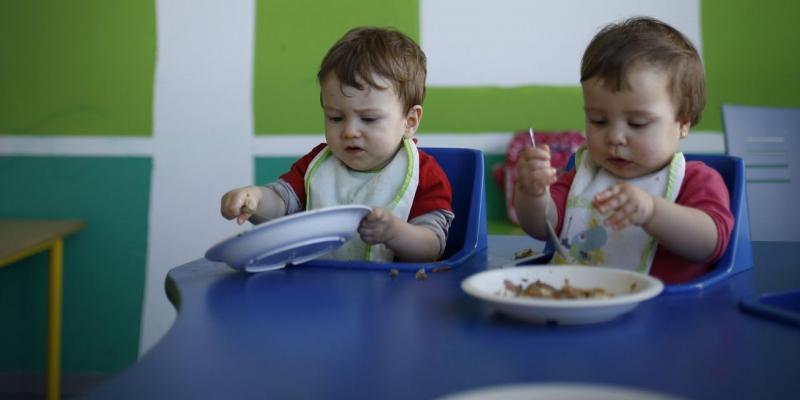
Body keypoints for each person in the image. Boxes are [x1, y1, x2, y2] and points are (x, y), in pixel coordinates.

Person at [514, 17, 734, 284]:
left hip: (667, 313)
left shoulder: (696, 180)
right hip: (580, 298)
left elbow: (710, 244)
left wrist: (653, 211)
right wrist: (533, 193)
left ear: (683, 123)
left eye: (637, 123)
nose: (615, 137)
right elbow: (541, 228)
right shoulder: (584, 175)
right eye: (598, 120)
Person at [220, 27, 453, 263]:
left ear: (409, 121)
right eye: (335, 118)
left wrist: (394, 232)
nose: (350, 131)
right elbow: (281, 205)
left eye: (369, 119)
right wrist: (255, 199)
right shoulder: (318, 163)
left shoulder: (423, 174)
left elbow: (432, 246)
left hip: (396, 291)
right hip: (320, 288)